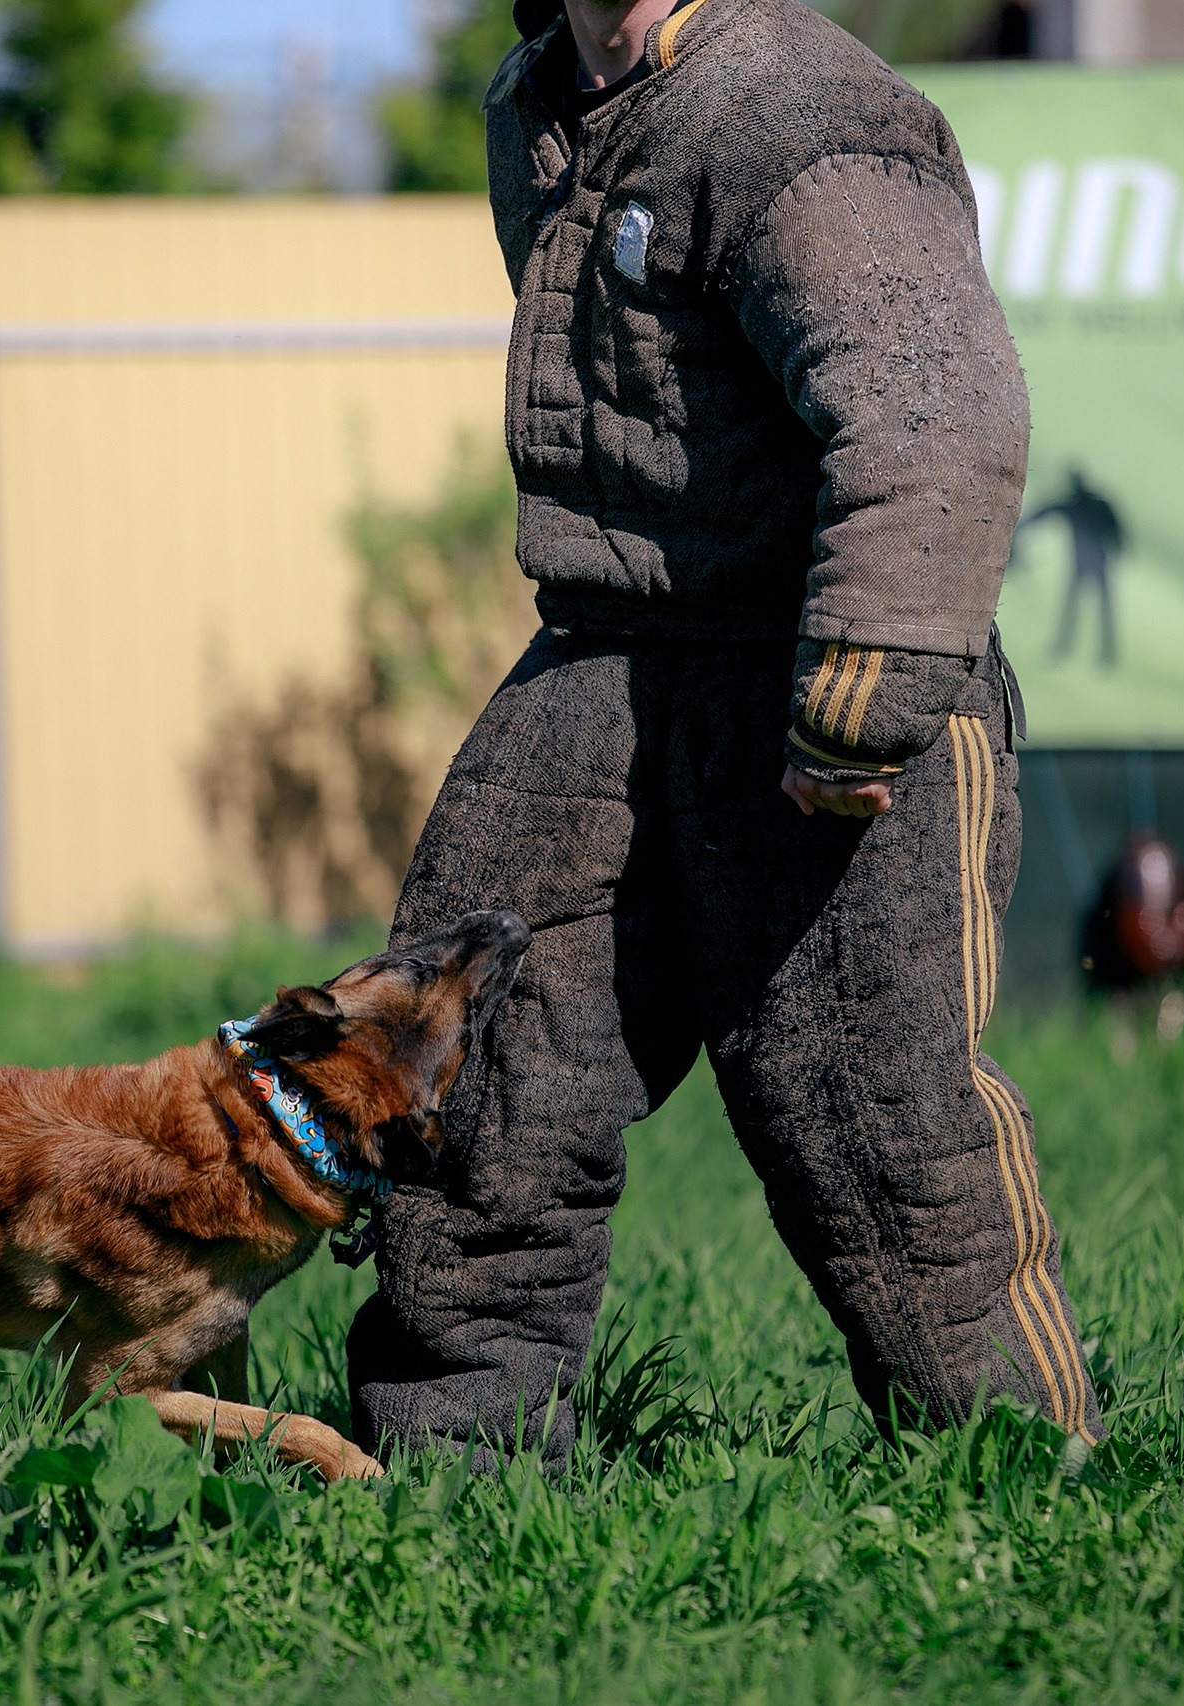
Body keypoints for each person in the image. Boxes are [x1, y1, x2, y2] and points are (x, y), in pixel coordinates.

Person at [347, 0, 1105, 1465]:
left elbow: (935, 414)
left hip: (817, 660)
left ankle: (1015, 1472)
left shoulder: (799, 111)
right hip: (604, 647)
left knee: (871, 1119)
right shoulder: (540, 99)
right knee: (465, 1062)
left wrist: (864, 694)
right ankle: (453, 1473)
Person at [1019, 467, 1125, 667]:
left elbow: (1115, 528)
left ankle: (1103, 653)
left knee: (1096, 609)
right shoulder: (1087, 504)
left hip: (1094, 563)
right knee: (1082, 608)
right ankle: (1070, 648)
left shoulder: (1085, 505)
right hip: (1087, 563)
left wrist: (1118, 545)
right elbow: (1047, 511)